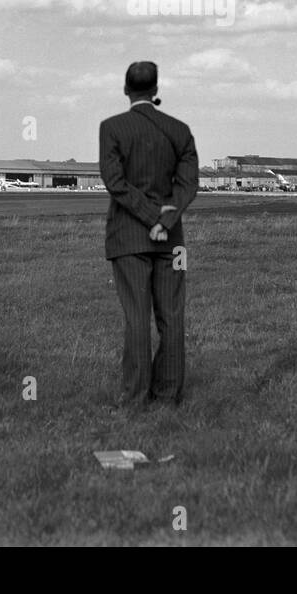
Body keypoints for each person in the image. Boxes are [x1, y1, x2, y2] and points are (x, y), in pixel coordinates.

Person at [99, 61, 199, 408]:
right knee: (171, 316)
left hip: (128, 237)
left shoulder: (112, 128)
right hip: (172, 241)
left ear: (126, 90)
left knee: (136, 317)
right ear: (156, 91)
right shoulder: (179, 130)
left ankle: (135, 396)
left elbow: (115, 183)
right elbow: (188, 185)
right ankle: (168, 394)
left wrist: (148, 216)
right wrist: (165, 220)